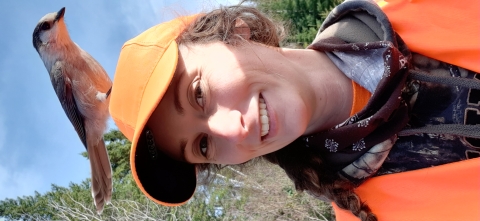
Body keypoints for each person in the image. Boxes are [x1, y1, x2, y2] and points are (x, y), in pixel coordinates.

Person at [108, 0, 480, 220]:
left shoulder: (420, 5)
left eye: (199, 93)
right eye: (203, 146)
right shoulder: (372, 213)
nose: (231, 130)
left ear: (235, 31)